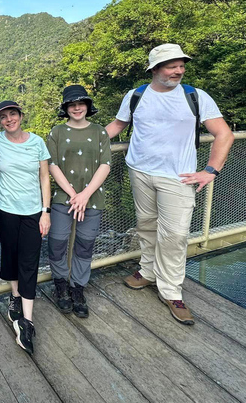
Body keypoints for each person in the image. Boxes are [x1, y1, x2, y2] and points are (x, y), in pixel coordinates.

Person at [105, 43, 234, 325]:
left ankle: (171, 290)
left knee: (175, 235)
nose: (179, 70)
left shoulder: (195, 97)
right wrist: (80, 142)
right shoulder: (136, 95)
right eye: (171, 65)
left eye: (181, 65)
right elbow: (117, 126)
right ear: (154, 69)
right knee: (147, 225)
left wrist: (210, 170)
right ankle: (148, 271)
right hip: (139, 170)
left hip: (179, 176)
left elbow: (224, 134)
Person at [0, 100, 51, 354]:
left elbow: (44, 177)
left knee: (29, 261)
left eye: (12, 114)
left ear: (21, 116)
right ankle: (14, 295)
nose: (8, 119)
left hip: (33, 212)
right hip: (6, 209)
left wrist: (45, 212)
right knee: (11, 255)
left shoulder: (37, 142)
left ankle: (27, 320)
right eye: (3, 117)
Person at [46, 85, 111, 319]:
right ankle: (61, 285)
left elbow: (105, 164)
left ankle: (78, 288)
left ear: (87, 107)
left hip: (92, 197)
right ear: (66, 108)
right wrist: (74, 194)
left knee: (85, 246)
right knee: (57, 243)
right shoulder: (56, 132)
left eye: (81, 103)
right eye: (72, 104)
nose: (76, 107)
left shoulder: (100, 132)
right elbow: (52, 165)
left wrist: (84, 195)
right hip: (63, 198)